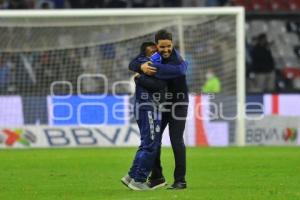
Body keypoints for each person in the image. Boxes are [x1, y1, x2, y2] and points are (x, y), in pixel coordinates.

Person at [129, 30, 189, 190]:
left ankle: (180, 180)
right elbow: (132, 63)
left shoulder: (178, 60)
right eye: (162, 47)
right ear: (157, 46)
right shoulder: (154, 57)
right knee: (154, 139)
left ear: (172, 44)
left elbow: (179, 71)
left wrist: (141, 74)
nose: (166, 50)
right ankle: (156, 177)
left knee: (177, 140)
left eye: (168, 46)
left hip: (179, 103)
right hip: (162, 104)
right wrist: (141, 66)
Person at [121, 42, 168, 190]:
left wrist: (138, 76)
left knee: (146, 143)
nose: (156, 53)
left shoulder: (144, 63)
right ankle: (139, 180)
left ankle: (131, 176)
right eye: (152, 51)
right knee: (151, 145)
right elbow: (158, 85)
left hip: (145, 106)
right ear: (145, 55)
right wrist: (139, 78)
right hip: (147, 107)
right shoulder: (149, 65)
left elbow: (133, 64)